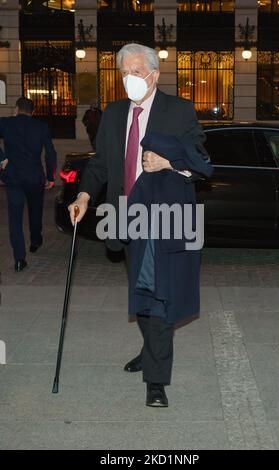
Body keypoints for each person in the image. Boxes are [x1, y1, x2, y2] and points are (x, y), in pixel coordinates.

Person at [69, 43, 211, 407]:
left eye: (137, 71)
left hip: (164, 216)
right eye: (124, 73)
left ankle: (156, 381)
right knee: (141, 294)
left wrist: (168, 162)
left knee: (159, 295)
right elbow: (101, 163)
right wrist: (84, 197)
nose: (130, 79)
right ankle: (151, 351)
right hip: (124, 214)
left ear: (154, 74)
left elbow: (201, 160)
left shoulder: (178, 111)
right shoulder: (114, 113)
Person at [0, 97, 57, 271]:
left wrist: (2, 157)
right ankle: (35, 241)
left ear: (16, 109)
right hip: (34, 176)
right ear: (32, 111)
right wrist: (51, 176)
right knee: (35, 209)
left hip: (13, 177)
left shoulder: (6, 123)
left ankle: (19, 259)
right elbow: (50, 153)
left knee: (15, 219)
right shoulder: (41, 126)